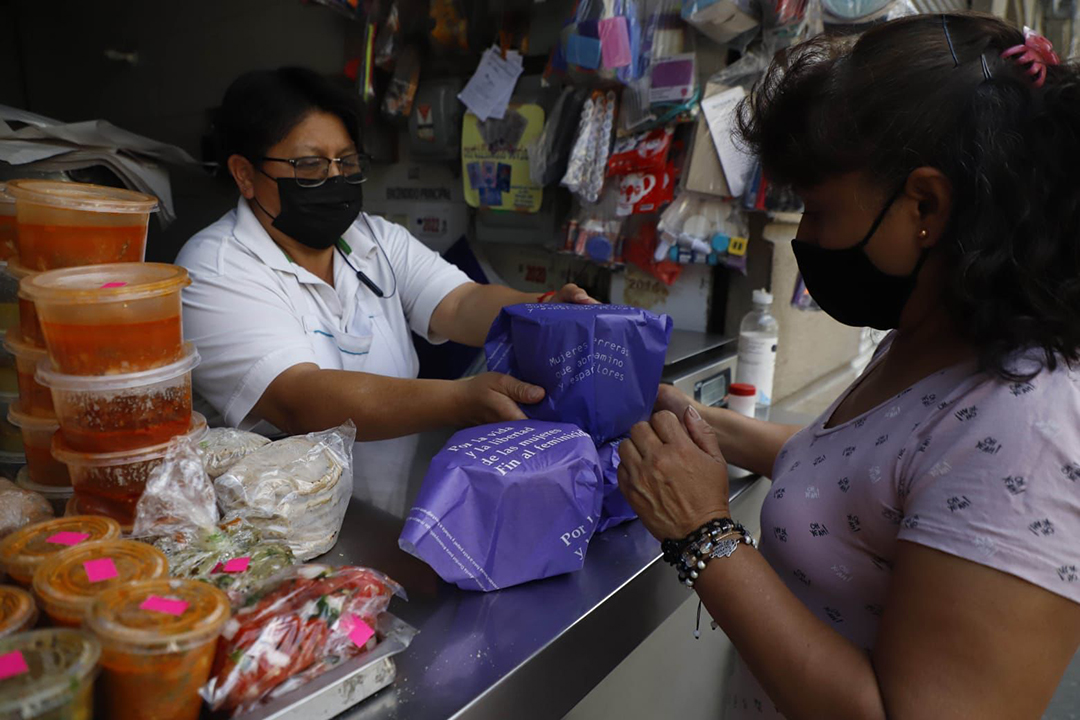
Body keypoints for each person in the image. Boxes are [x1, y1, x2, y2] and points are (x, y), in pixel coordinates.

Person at [620, 14, 1080, 719]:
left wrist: (701, 532)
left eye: (819, 209)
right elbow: (863, 474)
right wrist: (688, 418)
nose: (803, 237)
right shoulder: (933, 336)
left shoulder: (1029, 428)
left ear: (926, 205)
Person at [177, 67, 596, 451]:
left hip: (392, 495)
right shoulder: (213, 267)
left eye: (346, 162)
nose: (335, 178)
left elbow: (460, 303)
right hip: (288, 505)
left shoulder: (373, 237)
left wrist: (545, 312)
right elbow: (298, 399)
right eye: (309, 165)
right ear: (245, 174)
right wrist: (461, 399)